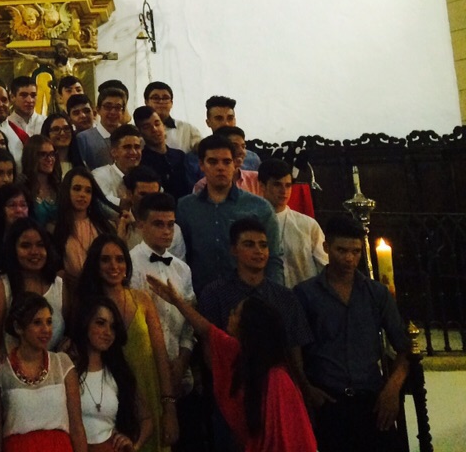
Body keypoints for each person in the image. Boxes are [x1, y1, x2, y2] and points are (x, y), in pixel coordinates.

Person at [147, 276, 316, 452]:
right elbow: (207, 330)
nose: (230, 315)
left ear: (247, 325)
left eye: (235, 313)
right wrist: (177, 301)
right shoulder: (240, 352)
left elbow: (285, 439)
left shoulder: (277, 379)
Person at [295, 215, 411, 452]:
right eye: (341, 250)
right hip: (328, 399)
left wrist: (393, 387)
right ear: (326, 247)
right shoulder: (306, 294)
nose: (349, 258)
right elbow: (294, 346)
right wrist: (307, 388)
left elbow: (404, 347)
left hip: (371, 398)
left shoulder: (376, 294)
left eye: (355, 251)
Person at [76, 235, 177, 450]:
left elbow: (160, 355)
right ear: (95, 264)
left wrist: (169, 408)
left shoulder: (142, 299)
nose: (114, 265)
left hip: (149, 391)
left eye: (120, 259)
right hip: (112, 400)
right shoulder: (87, 307)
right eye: (105, 259)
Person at [128, 193, 198, 450]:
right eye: (158, 224)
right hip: (142, 373)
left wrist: (182, 360)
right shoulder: (129, 265)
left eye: (170, 224)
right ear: (141, 225)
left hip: (180, 374)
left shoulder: (182, 269)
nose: (167, 231)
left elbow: (189, 323)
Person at [176, 135, 283, 294]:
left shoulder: (259, 208)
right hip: (200, 297)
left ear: (235, 164)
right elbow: (179, 258)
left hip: (250, 298)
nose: (220, 167)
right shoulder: (186, 208)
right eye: (213, 162)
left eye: (226, 162)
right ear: (201, 165)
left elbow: (273, 259)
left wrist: (274, 299)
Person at [0, 293, 85, 452]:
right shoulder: (2, 369)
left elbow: (77, 427)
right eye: (37, 323)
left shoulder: (62, 364)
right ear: (18, 327)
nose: (46, 330)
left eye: (49, 322)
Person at [72, 298, 152, 452]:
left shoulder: (119, 372)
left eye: (113, 327)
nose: (108, 332)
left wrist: (134, 445)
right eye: (100, 323)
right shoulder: (68, 368)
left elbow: (147, 420)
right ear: (85, 323)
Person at [0, 219, 69, 355]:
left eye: (40, 245)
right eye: (26, 246)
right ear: (12, 250)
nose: (34, 252)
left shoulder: (59, 285)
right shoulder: (0, 287)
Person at [258, 158, 326, 288]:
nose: (284, 191)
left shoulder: (308, 225)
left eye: (288, 185)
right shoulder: (252, 223)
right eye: (277, 185)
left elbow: (324, 267)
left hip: (304, 297)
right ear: (262, 186)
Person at [52, 167, 125, 279]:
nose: (82, 194)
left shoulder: (104, 226)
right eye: (77, 189)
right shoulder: (55, 228)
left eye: (88, 191)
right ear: (67, 191)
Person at [132, 107, 190, 201]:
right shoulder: (141, 161)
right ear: (140, 132)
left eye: (157, 123)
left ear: (163, 125)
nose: (154, 129)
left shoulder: (179, 155)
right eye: (147, 127)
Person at [191, 128, 261, 196]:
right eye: (235, 146)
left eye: (243, 146)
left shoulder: (256, 178)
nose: (241, 151)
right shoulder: (203, 185)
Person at [92, 126, 145, 211]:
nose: (134, 152)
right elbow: (102, 202)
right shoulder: (100, 175)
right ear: (114, 152)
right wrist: (124, 203)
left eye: (137, 147)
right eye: (127, 147)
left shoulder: (146, 176)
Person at [142, 82, 202, 156]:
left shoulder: (187, 129)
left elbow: (203, 149)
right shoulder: (138, 129)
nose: (161, 102)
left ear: (171, 103)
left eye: (165, 98)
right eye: (156, 98)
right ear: (146, 102)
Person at [74, 88, 127, 171]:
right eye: (108, 107)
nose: (113, 112)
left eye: (117, 107)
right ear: (98, 110)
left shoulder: (130, 136)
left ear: (123, 112)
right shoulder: (84, 138)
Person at [21, 134, 62, 227]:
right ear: (31, 157)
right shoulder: (23, 189)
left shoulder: (59, 187)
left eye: (52, 154)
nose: (49, 159)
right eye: (43, 154)